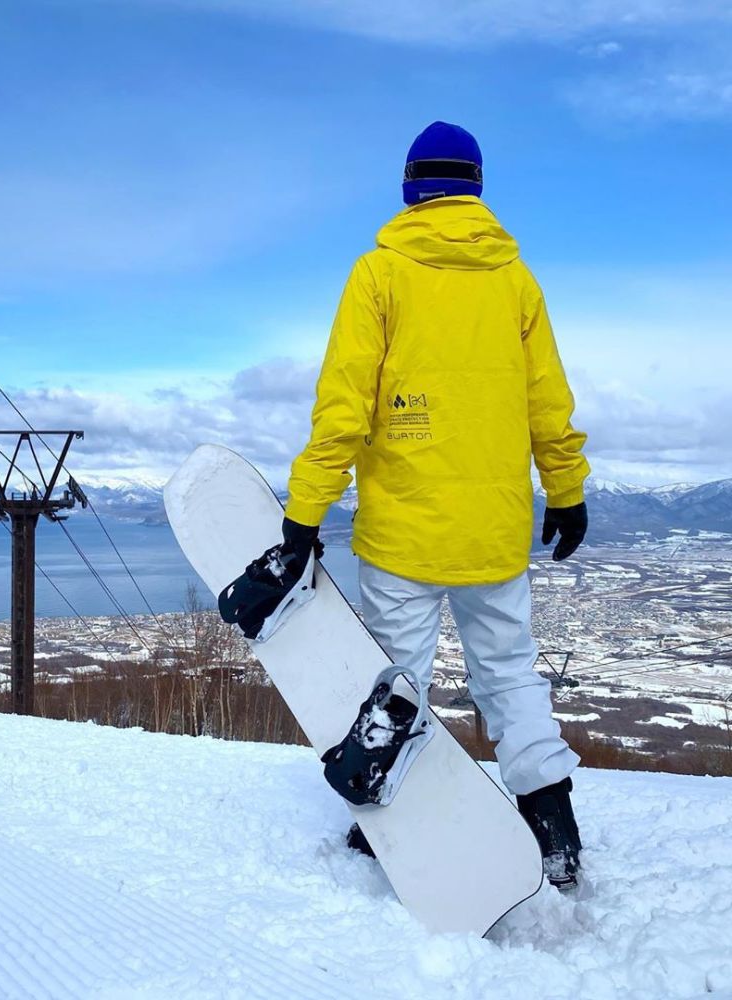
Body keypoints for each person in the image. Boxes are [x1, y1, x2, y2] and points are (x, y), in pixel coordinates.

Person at [283, 121, 590, 888]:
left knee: (394, 677)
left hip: (402, 533)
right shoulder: (514, 281)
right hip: (493, 533)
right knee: (510, 674)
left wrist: (305, 512)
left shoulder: (379, 275)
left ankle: (385, 822)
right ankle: (552, 822)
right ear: (476, 189)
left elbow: (344, 408)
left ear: (410, 188)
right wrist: (566, 487)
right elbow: (546, 398)